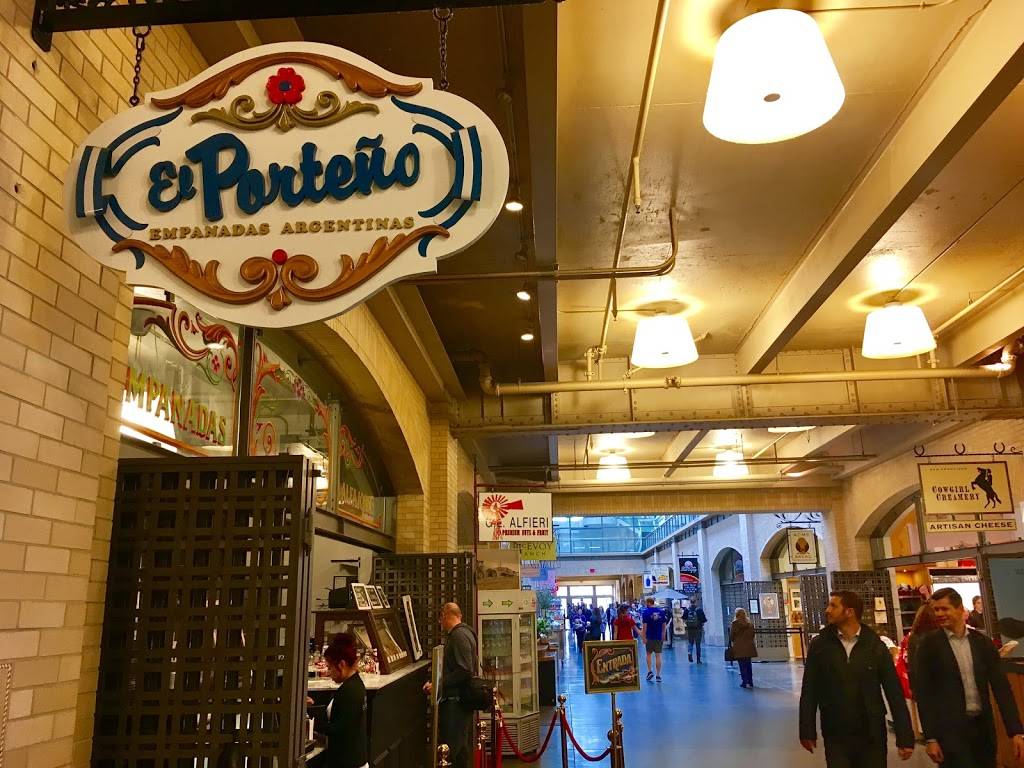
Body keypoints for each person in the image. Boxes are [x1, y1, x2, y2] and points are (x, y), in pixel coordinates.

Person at [798, 590, 914, 767]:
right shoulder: (820, 645)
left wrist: (904, 735)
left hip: (872, 732)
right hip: (835, 731)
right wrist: (807, 730)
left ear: (849, 612)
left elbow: (894, 692)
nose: (827, 610)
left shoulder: (875, 646)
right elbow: (810, 690)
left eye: (833, 605)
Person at [913, 587, 1024, 768]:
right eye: (936, 609)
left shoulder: (981, 643)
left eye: (944, 608)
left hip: (982, 729)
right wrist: (931, 738)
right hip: (950, 732)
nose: (939, 613)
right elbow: (924, 694)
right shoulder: (928, 646)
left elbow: (1001, 688)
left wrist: (1016, 731)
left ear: (959, 608)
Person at [422, 603, 478, 768]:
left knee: (452, 749)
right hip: (461, 701)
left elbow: (464, 670)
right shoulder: (467, 632)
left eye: (441, 618)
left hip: (455, 703)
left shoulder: (457, 636)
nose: (440, 623)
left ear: (446, 616)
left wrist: (439, 684)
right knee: (460, 748)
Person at [314, 633, 369, 768]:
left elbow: (338, 729)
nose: (328, 671)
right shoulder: (355, 684)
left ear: (342, 664)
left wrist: (311, 723)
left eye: (330, 667)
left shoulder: (349, 691)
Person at [641, 597, 668, 682]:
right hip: (658, 636)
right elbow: (664, 625)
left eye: (646, 603)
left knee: (648, 654)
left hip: (649, 636)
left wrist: (643, 637)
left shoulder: (645, 612)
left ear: (649, 602)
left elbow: (644, 627)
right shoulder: (661, 612)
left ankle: (649, 671)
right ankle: (658, 675)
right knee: (658, 655)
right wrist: (663, 634)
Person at [730, 608, 757, 688]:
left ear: (736, 615)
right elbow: (752, 634)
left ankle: (744, 682)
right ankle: (750, 681)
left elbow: (732, 636)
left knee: (742, 665)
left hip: (739, 647)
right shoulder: (750, 624)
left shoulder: (734, 624)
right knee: (748, 664)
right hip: (749, 647)